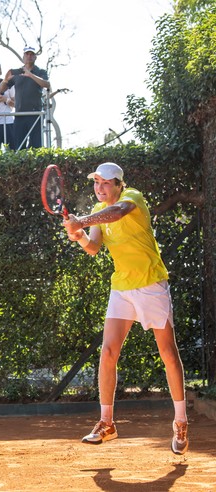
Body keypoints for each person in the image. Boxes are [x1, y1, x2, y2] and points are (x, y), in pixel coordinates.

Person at [63, 162, 189, 455]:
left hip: (151, 284)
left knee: (168, 353)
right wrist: (79, 234)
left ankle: (180, 420)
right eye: (96, 183)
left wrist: (81, 220)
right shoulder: (98, 214)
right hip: (122, 287)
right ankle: (107, 423)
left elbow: (118, 213)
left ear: (119, 184)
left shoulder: (132, 198)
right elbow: (94, 248)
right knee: (108, 352)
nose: (100, 188)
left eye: (106, 183)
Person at [0, 46, 50, 149]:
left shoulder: (40, 71)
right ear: (23, 57)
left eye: (31, 54)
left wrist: (30, 74)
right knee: (19, 148)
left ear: (35, 57)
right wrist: (5, 79)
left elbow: (47, 84)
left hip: (35, 114)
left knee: (36, 148)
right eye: (27, 54)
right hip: (19, 115)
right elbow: (1, 90)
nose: (29, 56)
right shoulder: (17, 72)